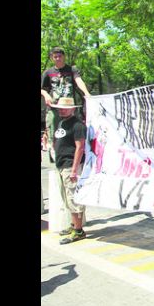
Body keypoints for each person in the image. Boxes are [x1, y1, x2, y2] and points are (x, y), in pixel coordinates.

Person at [41, 47, 91, 161]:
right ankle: (56, 156)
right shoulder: (48, 72)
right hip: (54, 108)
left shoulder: (72, 69)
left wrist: (86, 93)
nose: (58, 58)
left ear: (64, 57)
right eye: (55, 57)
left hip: (70, 107)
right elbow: (42, 89)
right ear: (52, 58)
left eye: (60, 56)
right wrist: (46, 95)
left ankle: (75, 157)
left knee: (75, 131)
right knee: (54, 133)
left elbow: (78, 80)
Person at [51, 97, 88, 244]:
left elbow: (80, 147)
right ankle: (74, 225)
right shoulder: (61, 122)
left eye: (65, 108)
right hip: (62, 165)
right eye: (60, 108)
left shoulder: (77, 125)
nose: (62, 110)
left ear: (73, 109)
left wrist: (74, 170)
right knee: (67, 198)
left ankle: (78, 231)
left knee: (74, 198)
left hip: (71, 165)